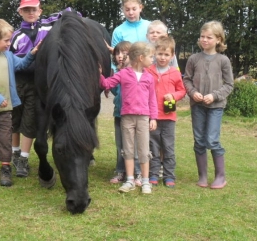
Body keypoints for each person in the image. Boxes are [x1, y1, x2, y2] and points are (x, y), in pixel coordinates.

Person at [9, 0, 74, 177]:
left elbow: (70, 12)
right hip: (19, 80)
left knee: (30, 121)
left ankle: (23, 158)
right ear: (20, 12)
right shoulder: (15, 36)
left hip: (41, 83)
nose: (30, 13)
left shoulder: (47, 26)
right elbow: (8, 60)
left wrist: (54, 16)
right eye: (26, 10)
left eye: (34, 9)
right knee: (15, 120)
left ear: (40, 10)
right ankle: (14, 153)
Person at [0, 19, 41, 186]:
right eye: (6, 41)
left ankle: (5, 169)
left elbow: (22, 65)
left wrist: (32, 54)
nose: (9, 44)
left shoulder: (9, 56)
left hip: (5, 110)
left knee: (5, 140)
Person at [100, 42, 157, 194]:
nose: (153, 59)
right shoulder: (123, 73)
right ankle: (130, 180)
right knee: (128, 150)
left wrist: (153, 118)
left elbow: (153, 99)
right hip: (126, 118)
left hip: (144, 118)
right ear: (140, 58)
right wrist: (98, 73)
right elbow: (107, 84)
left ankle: (145, 182)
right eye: (151, 56)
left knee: (144, 150)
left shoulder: (149, 77)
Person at [183, 21, 234, 189]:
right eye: (202, 36)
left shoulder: (223, 60)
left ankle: (220, 176)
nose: (204, 40)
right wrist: (192, 93)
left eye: (209, 37)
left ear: (218, 39)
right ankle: (202, 176)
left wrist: (214, 95)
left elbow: (229, 85)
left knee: (212, 140)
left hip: (215, 107)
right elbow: (186, 80)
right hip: (197, 106)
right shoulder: (193, 59)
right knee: (199, 140)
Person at [147, 36, 186, 188]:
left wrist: (174, 96)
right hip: (153, 117)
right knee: (153, 147)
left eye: (166, 55)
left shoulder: (175, 73)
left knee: (168, 148)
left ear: (172, 56)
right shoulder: (148, 71)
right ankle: (153, 175)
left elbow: (182, 91)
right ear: (155, 53)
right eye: (160, 54)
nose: (162, 57)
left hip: (169, 117)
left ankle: (169, 176)